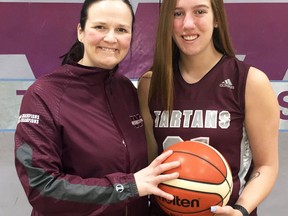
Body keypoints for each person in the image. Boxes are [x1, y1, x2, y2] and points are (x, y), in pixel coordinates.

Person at [14, 0, 180, 215]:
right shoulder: (44, 94)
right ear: (81, 32)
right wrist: (127, 187)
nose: (111, 38)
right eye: (100, 27)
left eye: (121, 29)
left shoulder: (126, 90)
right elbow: (41, 187)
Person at [138, 0, 279, 215]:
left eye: (200, 12)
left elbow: (266, 166)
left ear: (216, 19)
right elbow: (150, 163)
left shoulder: (250, 81)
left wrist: (241, 210)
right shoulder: (151, 83)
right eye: (177, 13)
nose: (187, 24)